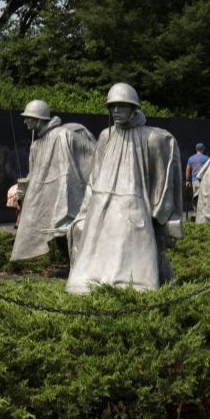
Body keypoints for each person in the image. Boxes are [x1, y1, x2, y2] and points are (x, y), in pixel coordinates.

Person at [66, 83, 182, 294]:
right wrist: (85, 211)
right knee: (92, 260)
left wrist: (158, 215)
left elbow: (162, 181)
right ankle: (94, 285)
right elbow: (95, 176)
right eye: (113, 106)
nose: (116, 111)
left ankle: (140, 286)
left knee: (136, 267)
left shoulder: (152, 138)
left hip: (135, 209)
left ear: (133, 107)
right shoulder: (105, 136)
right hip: (102, 207)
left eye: (122, 106)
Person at [10, 100, 95, 262]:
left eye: (29, 117)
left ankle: (78, 266)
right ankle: (71, 265)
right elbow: (34, 173)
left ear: (40, 119)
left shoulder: (63, 134)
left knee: (68, 232)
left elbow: (92, 156)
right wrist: (24, 187)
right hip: (47, 197)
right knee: (56, 236)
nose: (25, 121)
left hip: (68, 197)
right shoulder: (35, 146)